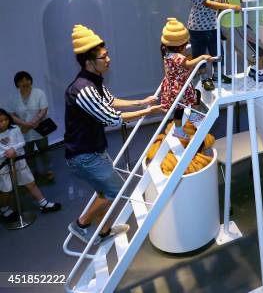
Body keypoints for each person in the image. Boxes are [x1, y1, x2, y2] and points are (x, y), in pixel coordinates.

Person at [65, 24, 163, 245]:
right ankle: (81, 224)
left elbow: (110, 101)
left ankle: (103, 231)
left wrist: (140, 101)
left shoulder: (94, 81)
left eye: (107, 54)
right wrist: (147, 112)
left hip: (94, 151)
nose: (108, 60)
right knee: (115, 190)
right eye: (103, 57)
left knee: (105, 191)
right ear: (89, 62)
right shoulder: (83, 89)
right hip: (84, 155)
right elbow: (111, 117)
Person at [179, 0, 240, 91]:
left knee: (217, 52)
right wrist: (229, 6)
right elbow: (210, 4)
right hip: (197, 29)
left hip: (212, 26)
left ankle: (218, 75)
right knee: (200, 55)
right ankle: (204, 78)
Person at [0, 108, 61, 222]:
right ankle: (4, 208)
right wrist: (5, 154)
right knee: (6, 189)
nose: (3, 123)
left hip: (19, 162)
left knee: (30, 183)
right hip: (3, 166)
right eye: (0, 121)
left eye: (5, 120)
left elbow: (22, 142)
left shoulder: (15, 129)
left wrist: (13, 149)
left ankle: (43, 203)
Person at [160, 18, 212, 140]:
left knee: (179, 109)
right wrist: (202, 57)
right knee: (196, 95)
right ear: (180, 47)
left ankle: (178, 129)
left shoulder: (167, 55)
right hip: (180, 86)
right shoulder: (178, 57)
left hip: (172, 86)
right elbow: (188, 64)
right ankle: (193, 115)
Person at [7, 71, 54, 181]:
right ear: (17, 83)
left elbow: (44, 109)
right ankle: (33, 173)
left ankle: (48, 170)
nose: (24, 82)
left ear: (30, 81)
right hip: (23, 131)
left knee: (44, 151)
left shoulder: (39, 93)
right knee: (28, 153)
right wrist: (25, 124)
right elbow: (11, 114)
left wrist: (31, 123)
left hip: (40, 128)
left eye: (26, 79)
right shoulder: (13, 97)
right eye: (21, 80)